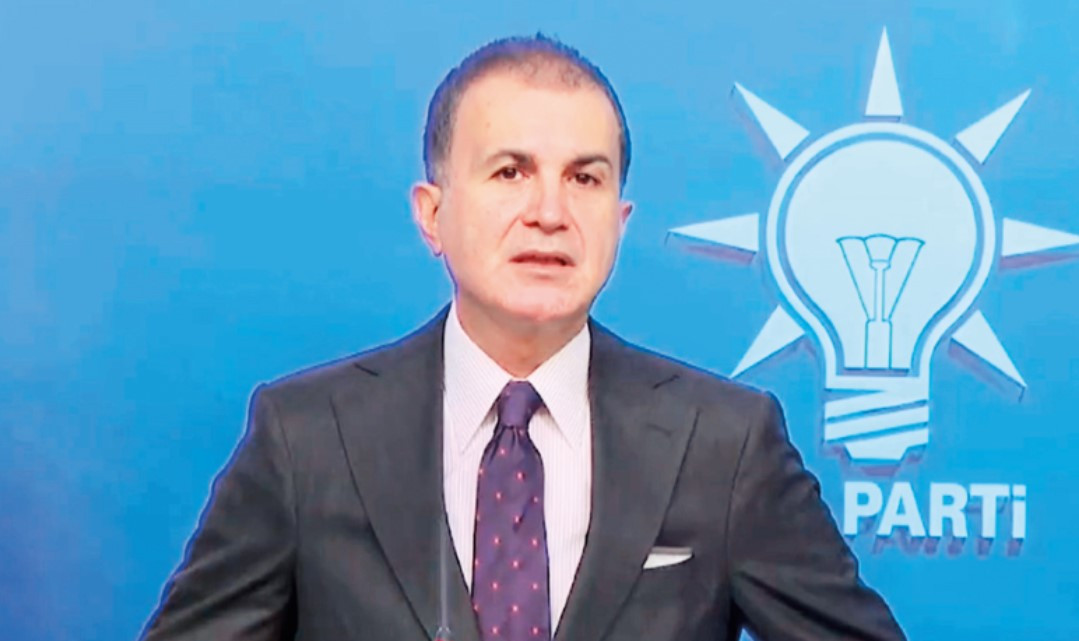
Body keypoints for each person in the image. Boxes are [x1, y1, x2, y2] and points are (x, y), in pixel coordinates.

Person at [142, 34, 906, 641]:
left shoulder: (725, 443)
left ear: (619, 220)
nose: (548, 212)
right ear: (431, 213)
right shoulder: (305, 436)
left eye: (584, 178)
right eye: (510, 172)